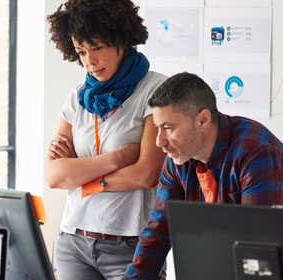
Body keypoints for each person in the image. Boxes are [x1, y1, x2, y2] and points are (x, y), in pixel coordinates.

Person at [45, 0, 167, 279]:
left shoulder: (155, 90)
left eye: (96, 48)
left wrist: (83, 177)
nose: (89, 61)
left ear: (120, 40)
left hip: (130, 247)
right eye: (81, 51)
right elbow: (55, 175)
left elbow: (146, 174)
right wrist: (118, 158)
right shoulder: (78, 97)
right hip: (73, 243)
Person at [124, 72, 283, 279]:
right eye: (157, 128)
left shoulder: (255, 152)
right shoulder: (178, 158)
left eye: (168, 128)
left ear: (202, 120)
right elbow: (157, 232)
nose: (159, 141)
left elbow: (257, 249)